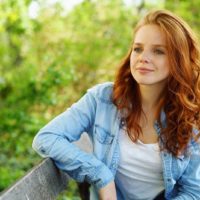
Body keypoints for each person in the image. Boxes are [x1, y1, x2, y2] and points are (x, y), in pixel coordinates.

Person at [32, 9, 200, 200]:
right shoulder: (102, 99)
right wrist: (101, 175)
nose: (143, 57)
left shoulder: (190, 116)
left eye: (159, 51)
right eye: (138, 48)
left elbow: (193, 192)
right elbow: (46, 137)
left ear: (179, 60)